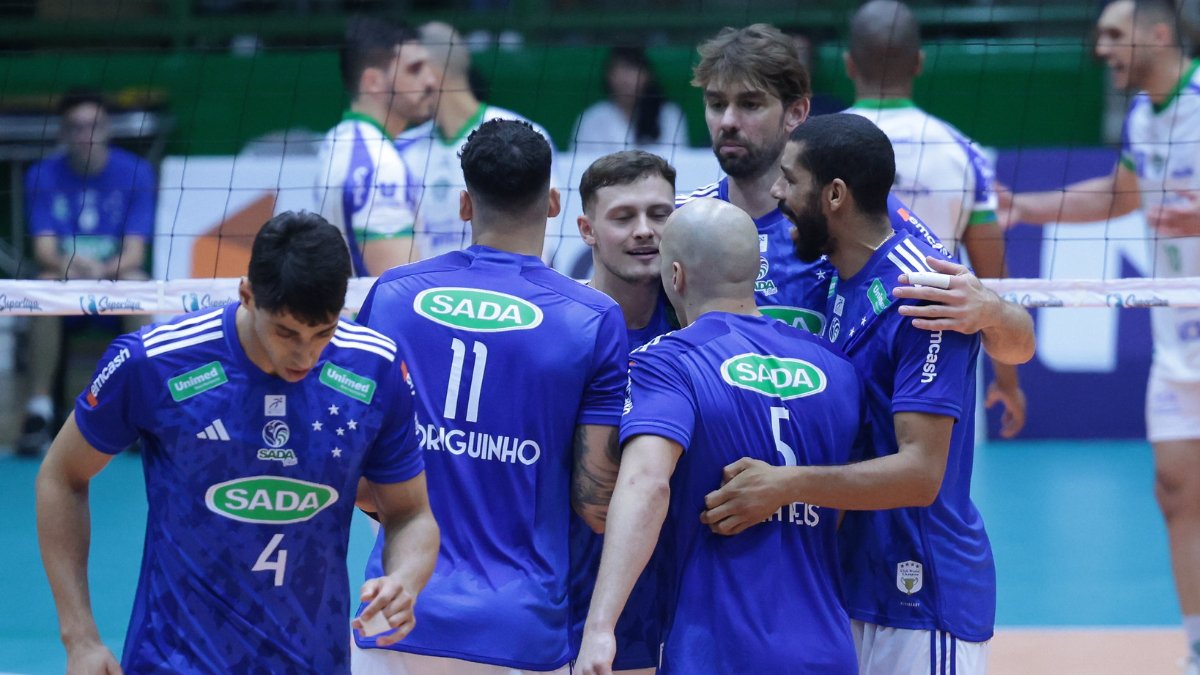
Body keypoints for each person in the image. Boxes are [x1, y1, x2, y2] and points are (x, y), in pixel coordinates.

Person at [35, 211, 440, 673]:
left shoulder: (375, 370)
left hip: (312, 662)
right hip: (177, 661)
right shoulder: (154, 363)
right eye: (286, 332)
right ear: (247, 294)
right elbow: (61, 476)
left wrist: (405, 580)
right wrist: (80, 636)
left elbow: (411, 512)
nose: (305, 354)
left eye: (322, 333)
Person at [702, 113, 993, 674]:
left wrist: (784, 486)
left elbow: (921, 472)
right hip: (847, 581)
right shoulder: (837, 272)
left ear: (834, 195)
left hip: (920, 591)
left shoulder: (922, 294)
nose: (778, 194)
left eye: (790, 179)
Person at [350, 119, 627, 674]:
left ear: (463, 205)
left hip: (395, 612)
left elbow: (357, 473)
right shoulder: (592, 318)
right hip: (519, 625)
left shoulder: (392, 296)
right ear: (552, 203)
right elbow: (596, 502)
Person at [575, 197, 865, 675]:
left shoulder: (668, 361)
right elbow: (840, 501)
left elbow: (646, 483)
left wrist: (600, 627)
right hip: (827, 650)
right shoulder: (837, 368)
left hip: (717, 652)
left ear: (676, 276)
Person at [999, 0, 1200, 668]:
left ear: (1160, 33)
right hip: (1179, 341)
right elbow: (1122, 195)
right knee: (1175, 488)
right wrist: (1024, 206)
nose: (1102, 48)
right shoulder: (1146, 116)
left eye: (1115, 34)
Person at [679, 22, 1035, 368]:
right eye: (716, 104)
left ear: (797, 112)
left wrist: (992, 312)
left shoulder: (856, 213)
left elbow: (1018, 345)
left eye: (750, 104)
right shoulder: (681, 224)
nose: (727, 121)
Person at [843, 0, 1026, 437]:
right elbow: (994, 281)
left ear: (849, 64)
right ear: (920, 62)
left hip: (843, 343)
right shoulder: (962, 151)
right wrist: (1008, 383)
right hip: (936, 345)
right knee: (936, 490)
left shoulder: (817, 148)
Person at [569, 150, 679, 674]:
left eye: (659, 214)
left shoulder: (698, 331)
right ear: (587, 229)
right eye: (623, 217)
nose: (645, 231)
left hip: (680, 602)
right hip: (572, 599)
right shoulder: (560, 328)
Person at [18, 88, 156, 457]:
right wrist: (81, 269)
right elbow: (45, 251)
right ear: (64, 133)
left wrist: (103, 271)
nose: (86, 136)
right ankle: (40, 410)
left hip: (114, 283)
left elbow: (135, 251)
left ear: (108, 129)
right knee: (42, 285)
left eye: (94, 126)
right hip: (67, 284)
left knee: (137, 284)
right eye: (76, 128)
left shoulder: (136, 172)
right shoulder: (41, 175)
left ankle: (143, 405)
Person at [396, 21, 560, 262]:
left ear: (427, 72)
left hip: (503, 292)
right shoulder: (401, 149)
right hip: (429, 295)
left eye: (405, 70)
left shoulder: (521, 136)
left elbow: (543, 239)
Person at [314, 15, 438, 277]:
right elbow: (402, 288)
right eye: (415, 69)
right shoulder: (380, 166)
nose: (431, 81)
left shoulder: (340, 140)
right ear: (373, 82)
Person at [570, 45, 690, 159]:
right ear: (609, 75)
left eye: (633, 70)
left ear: (647, 75)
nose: (627, 80)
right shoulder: (592, 118)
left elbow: (678, 161)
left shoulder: (670, 115)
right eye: (620, 70)